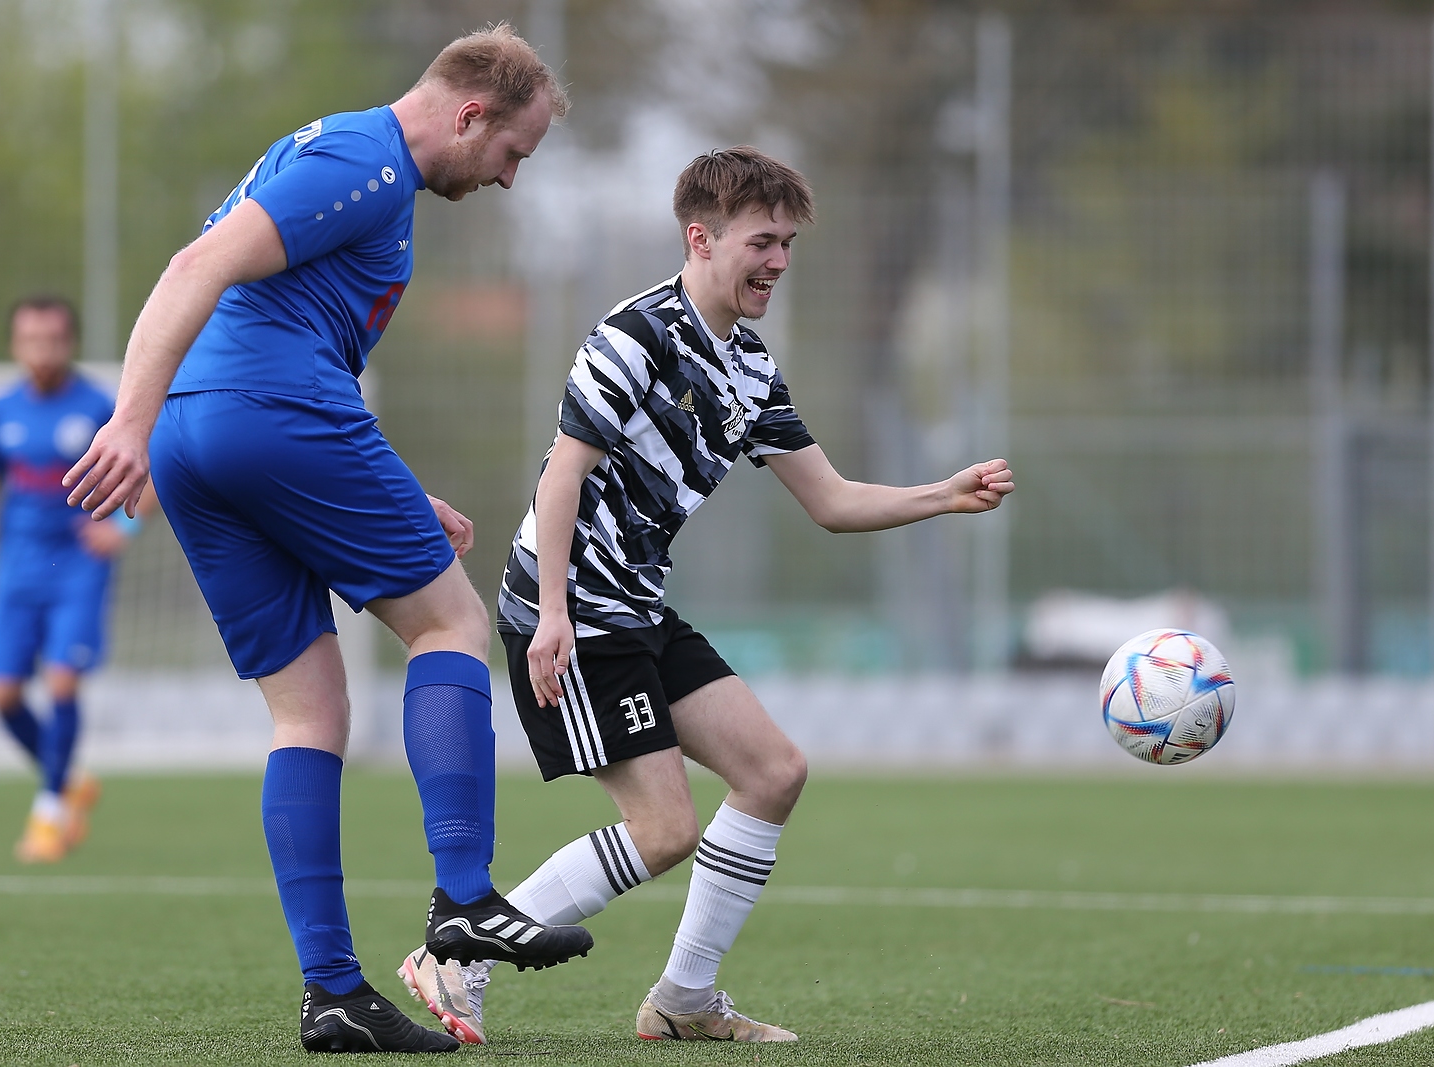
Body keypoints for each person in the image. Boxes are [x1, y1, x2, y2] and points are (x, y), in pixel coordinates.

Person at [399, 147, 1016, 1045]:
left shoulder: (751, 367)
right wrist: (559, 613)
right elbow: (562, 476)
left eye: (788, 244)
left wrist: (942, 494)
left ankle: (684, 998)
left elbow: (832, 501)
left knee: (773, 773)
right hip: (570, 603)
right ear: (702, 237)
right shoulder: (634, 335)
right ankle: (457, 953)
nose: (778, 262)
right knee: (662, 826)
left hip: (636, 602)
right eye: (763, 241)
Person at [61, 24, 592, 1055]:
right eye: (513, 152)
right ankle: (466, 898)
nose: (511, 178)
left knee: (307, 711)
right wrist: (123, 416)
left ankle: (334, 991)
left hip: (204, 432)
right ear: (471, 113)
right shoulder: (368, 160)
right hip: (249, 411)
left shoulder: (341, 160)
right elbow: (196, 263)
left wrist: (386, 479)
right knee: (449, 621)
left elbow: (287, 323)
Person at [0, 297, 143, 863]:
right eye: (31, 339)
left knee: (60, 683)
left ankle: (50, 811)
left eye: (52, 339)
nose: (42, 350)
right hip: (16, 566)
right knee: (2, 695)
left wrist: (122, 532)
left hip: (77, 565)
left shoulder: (101, 406)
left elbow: (148, 467)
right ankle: (68, 777)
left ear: (70, 343)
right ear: (14, 345)